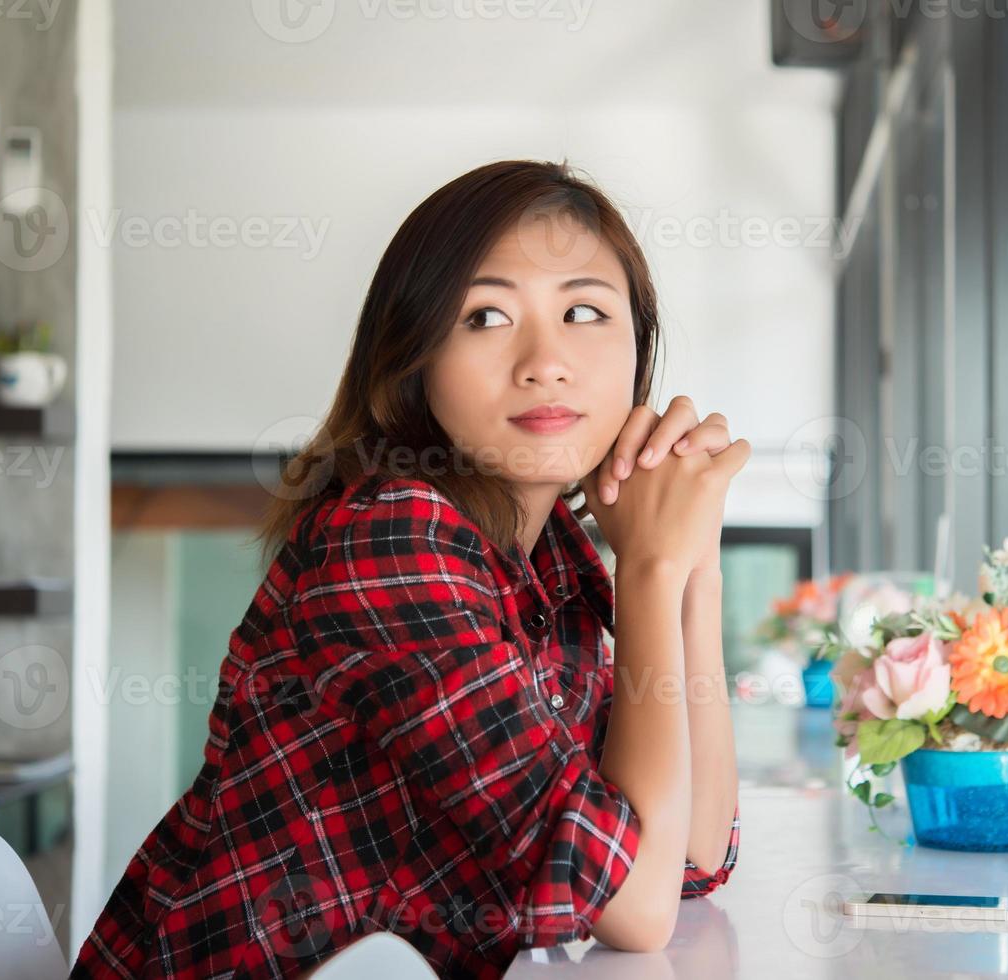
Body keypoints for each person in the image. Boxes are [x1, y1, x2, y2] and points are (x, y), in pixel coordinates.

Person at [71, 159, 750, 979]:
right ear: (414, 357)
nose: (545, 361)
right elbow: (631, 910)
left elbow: (689, 860)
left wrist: (692, 567)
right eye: (485, 316)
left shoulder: (546, 562)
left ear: (637, 345)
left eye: (582, 311)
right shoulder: (392, 537)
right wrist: (649, 565)